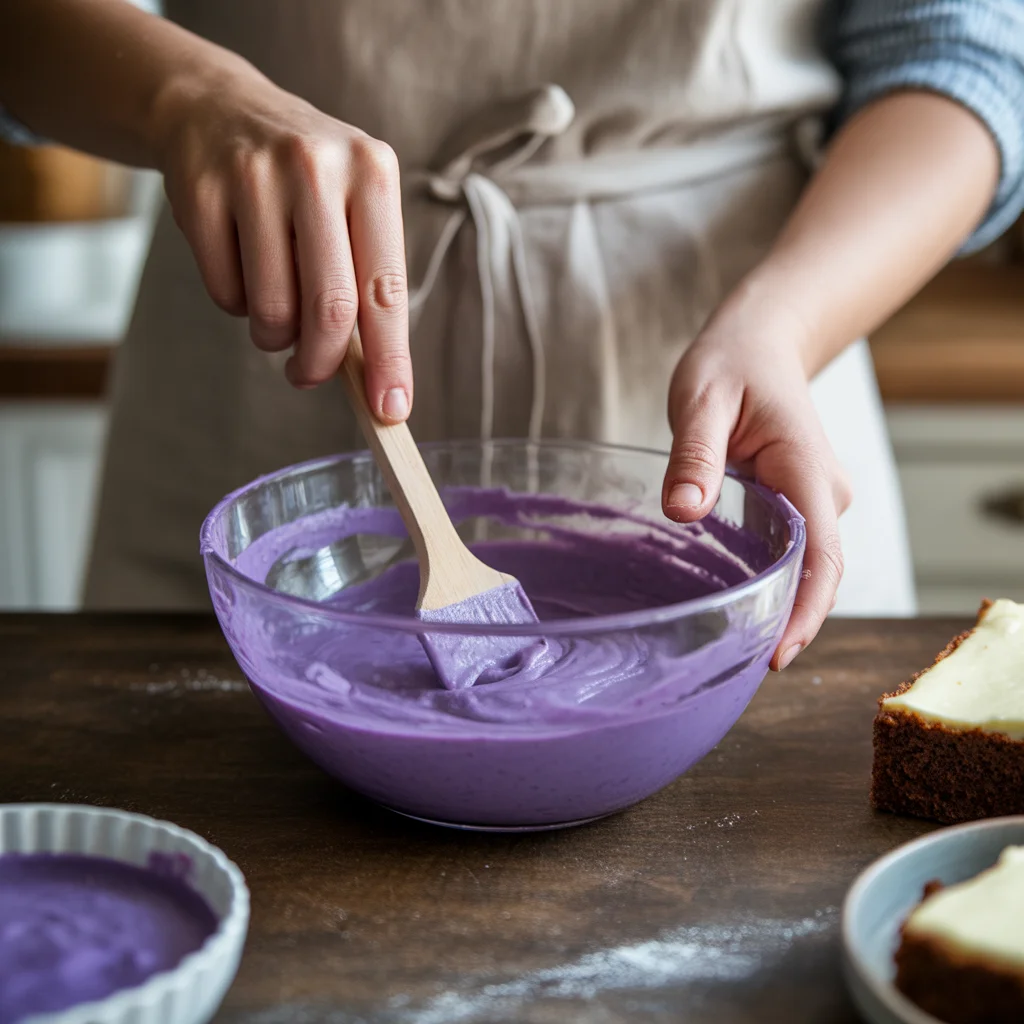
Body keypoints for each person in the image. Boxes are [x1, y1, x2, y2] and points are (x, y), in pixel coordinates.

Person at [1, 1, 1020, 671]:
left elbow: (968, 56)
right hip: (255, 356)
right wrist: (186, 94)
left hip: (759, 349)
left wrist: (788, 323)